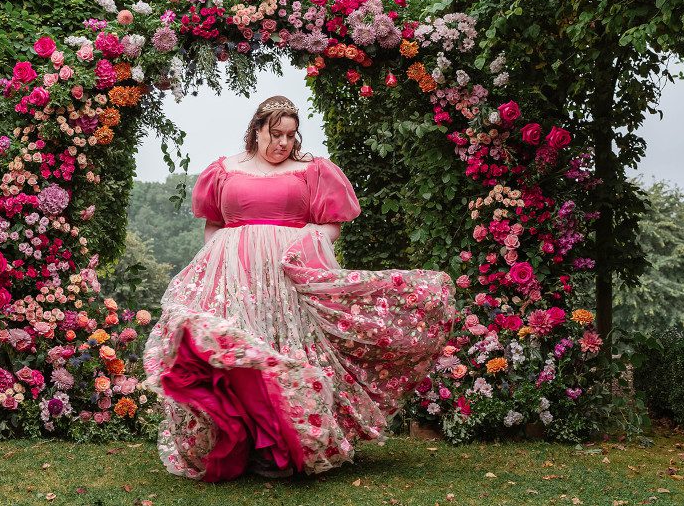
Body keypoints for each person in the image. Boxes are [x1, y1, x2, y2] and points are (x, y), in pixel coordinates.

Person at [142, 95, 455, 481]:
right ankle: (240, 444)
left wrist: (306, 244)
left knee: (280, 352)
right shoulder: (224, 170)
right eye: (275, 135)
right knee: (237, 356)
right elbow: (213, 224)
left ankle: (280, 450)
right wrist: (215, 261)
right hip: (232, 279)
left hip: (286, 278)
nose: (284, 144)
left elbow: (332, 224)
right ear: (256, 130)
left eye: (290, 136)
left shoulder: (312, 171)